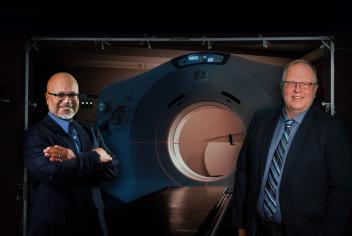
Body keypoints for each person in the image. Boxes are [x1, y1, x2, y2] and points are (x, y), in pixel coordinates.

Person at [232, 59, 352, 236]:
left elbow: (342, 190)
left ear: (315, 89)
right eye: (291, 83)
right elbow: (244, 172)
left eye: (306, 83)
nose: (298, 89)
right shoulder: (260, 119)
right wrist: (240, 224)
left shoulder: (331, 129)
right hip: (257, 228)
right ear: (282, 86)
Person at [23, 72, 118, 236]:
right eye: (60, 94)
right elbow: (52, 173)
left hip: (92, 220)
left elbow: (112, 170)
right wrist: (95, 157)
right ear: (47, 98)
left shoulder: (91, 131)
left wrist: (73, 159)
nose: (67, 101)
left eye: (73, 95)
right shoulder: (35, 135)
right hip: (54, 224)